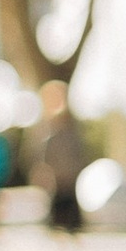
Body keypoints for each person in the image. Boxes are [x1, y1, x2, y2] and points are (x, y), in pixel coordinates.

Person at [26, 80, 89, 234]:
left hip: (70, 176)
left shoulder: (72, 128)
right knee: (57, 211)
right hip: (55, 178)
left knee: (71, 211)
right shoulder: (45, 129)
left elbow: (79, 152)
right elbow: (41, 155)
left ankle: (72, 229)